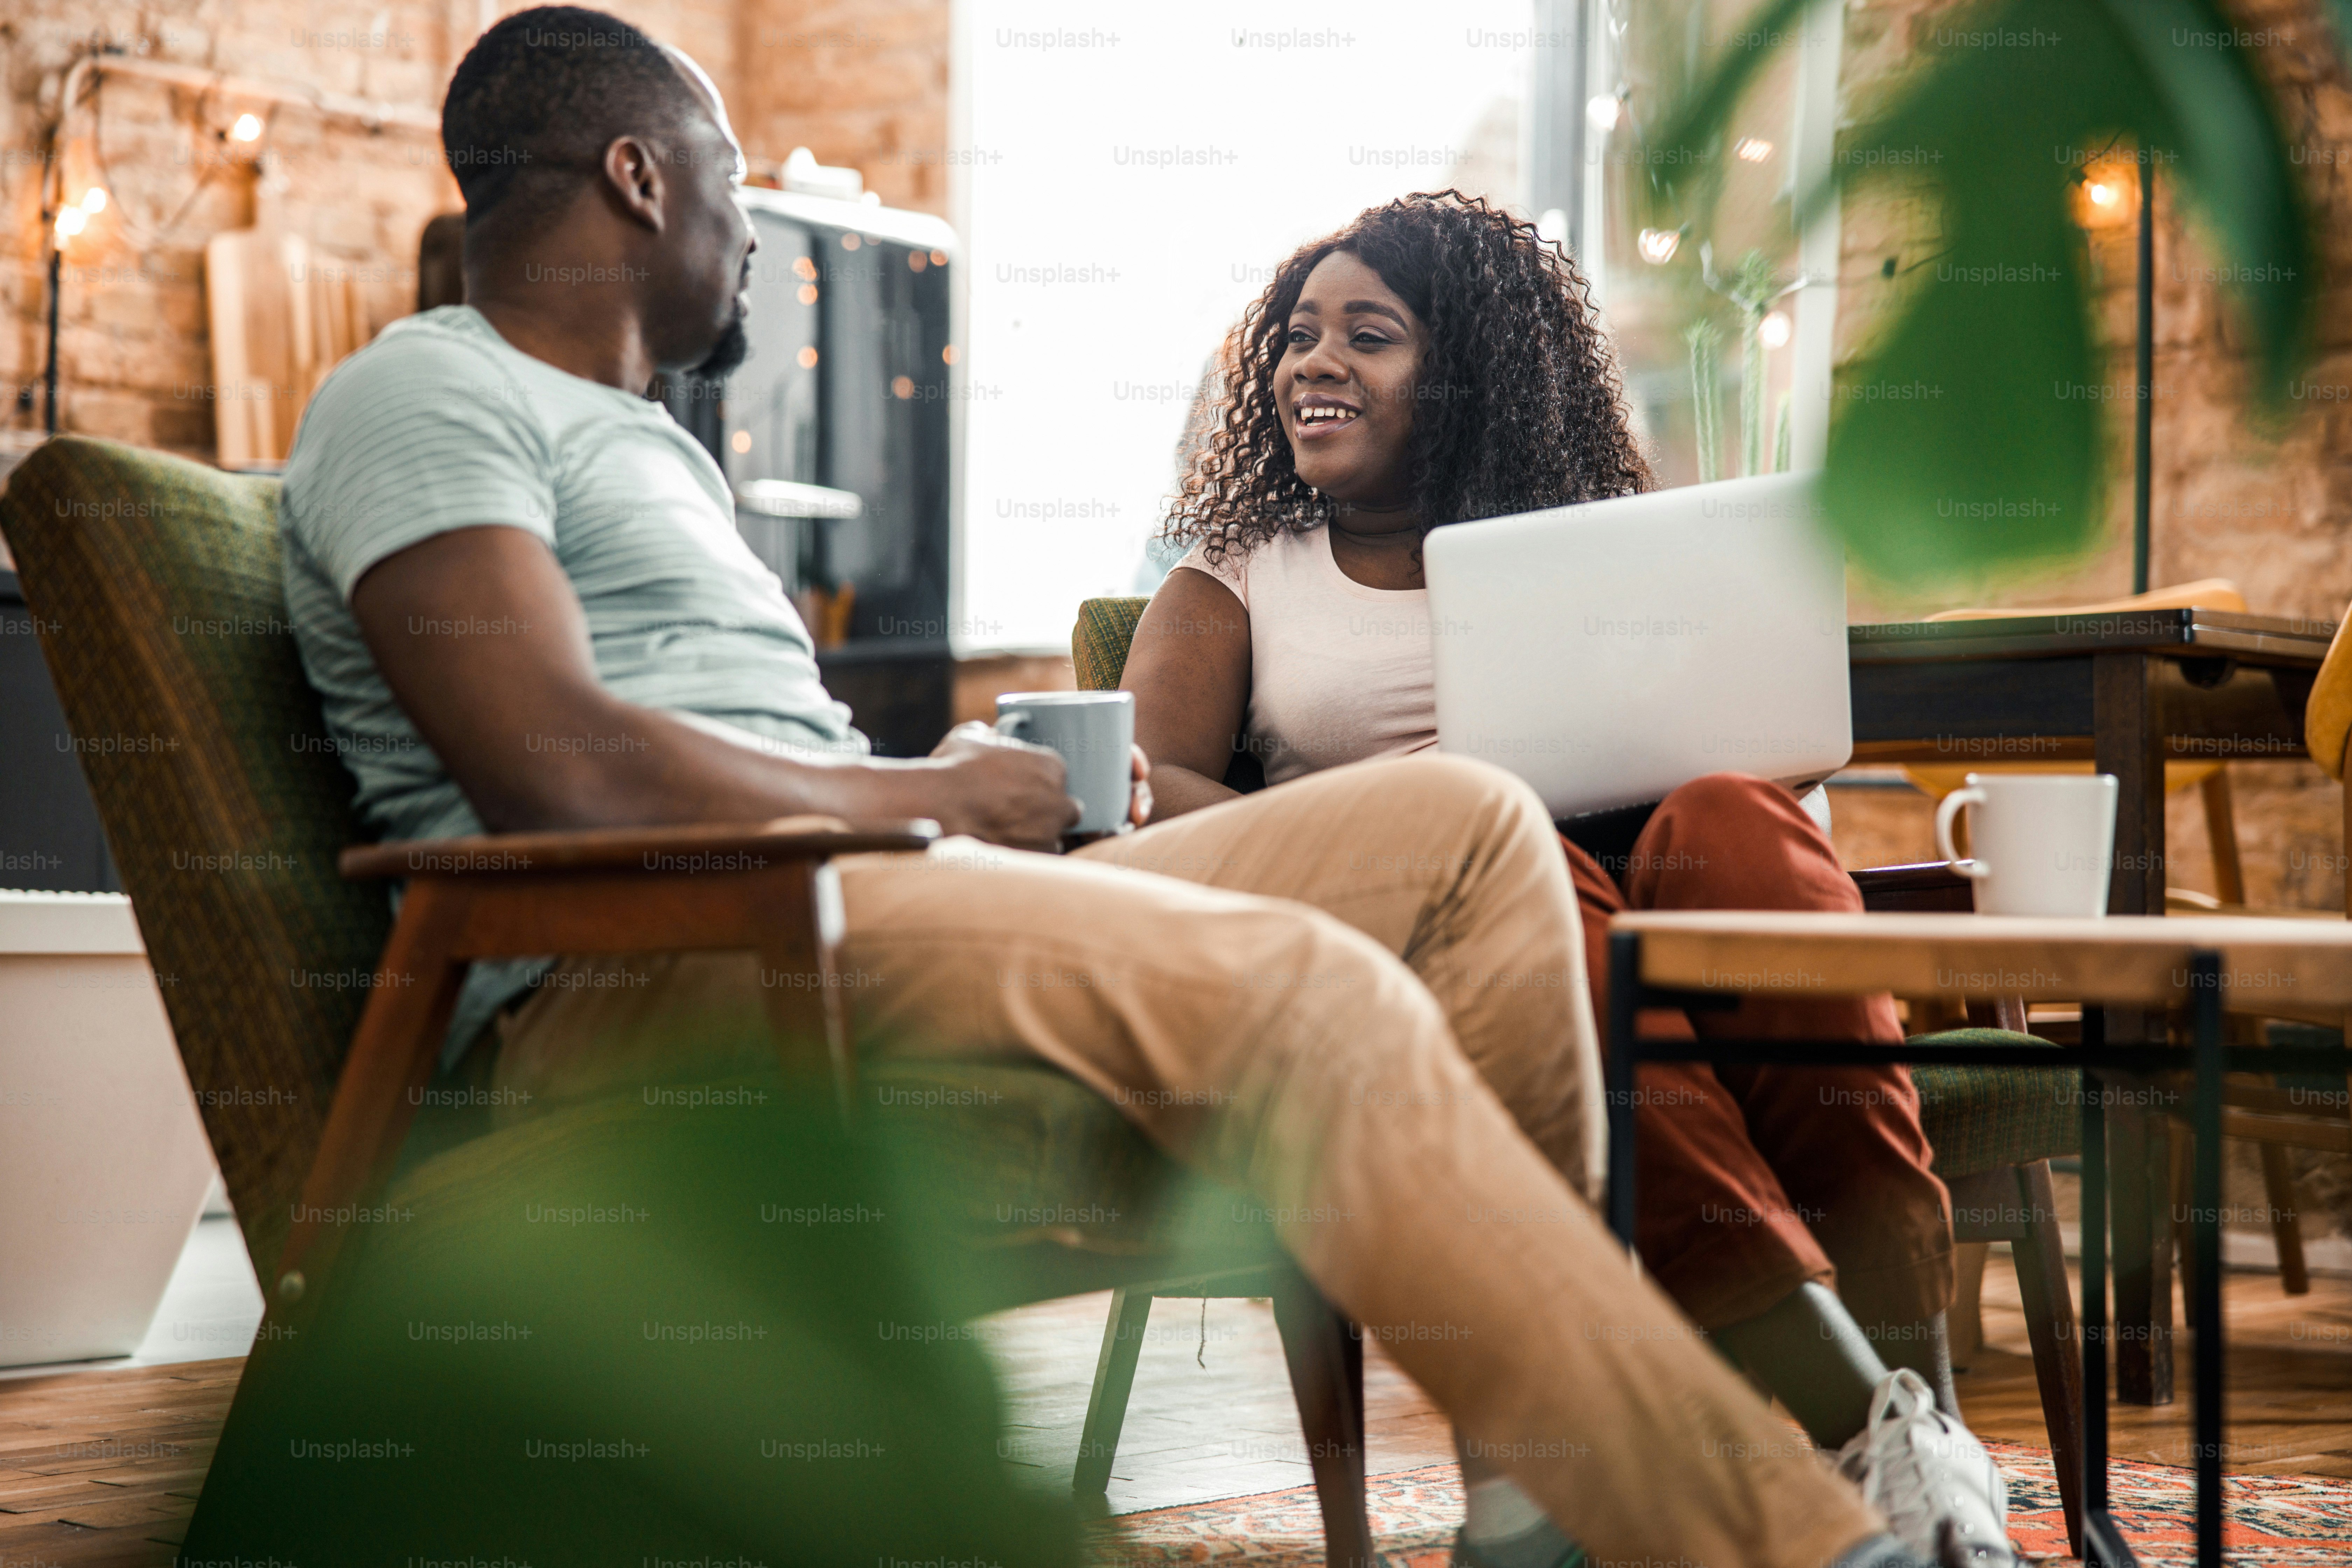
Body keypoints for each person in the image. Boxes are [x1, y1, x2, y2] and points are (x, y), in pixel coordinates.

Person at [282, 12, 1942, 1568]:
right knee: (1315, 988)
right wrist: (904, 801)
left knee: (1477, 830)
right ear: (637, 179)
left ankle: (1529, 1513)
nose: (753, 232)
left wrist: (916, 790)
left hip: (847, 892)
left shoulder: (644, 447)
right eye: (731, 179)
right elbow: (547, 763)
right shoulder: (425, 390)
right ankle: (1791, 1538)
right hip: (660, 963)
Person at [1122, 194, 2016, 1568]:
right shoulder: (1239, 573)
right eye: (1298, 336)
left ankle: (1922, 1418)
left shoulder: (1600, 541)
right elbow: (1139, 790)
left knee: (1744, 821)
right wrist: (1388, 817)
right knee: (1539, 876)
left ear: (1470, 367)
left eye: (1371, 335)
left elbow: (1737, 735)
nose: (1315, 361)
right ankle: (1866, 1417)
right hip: (1428, 926)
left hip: (1644, 873)